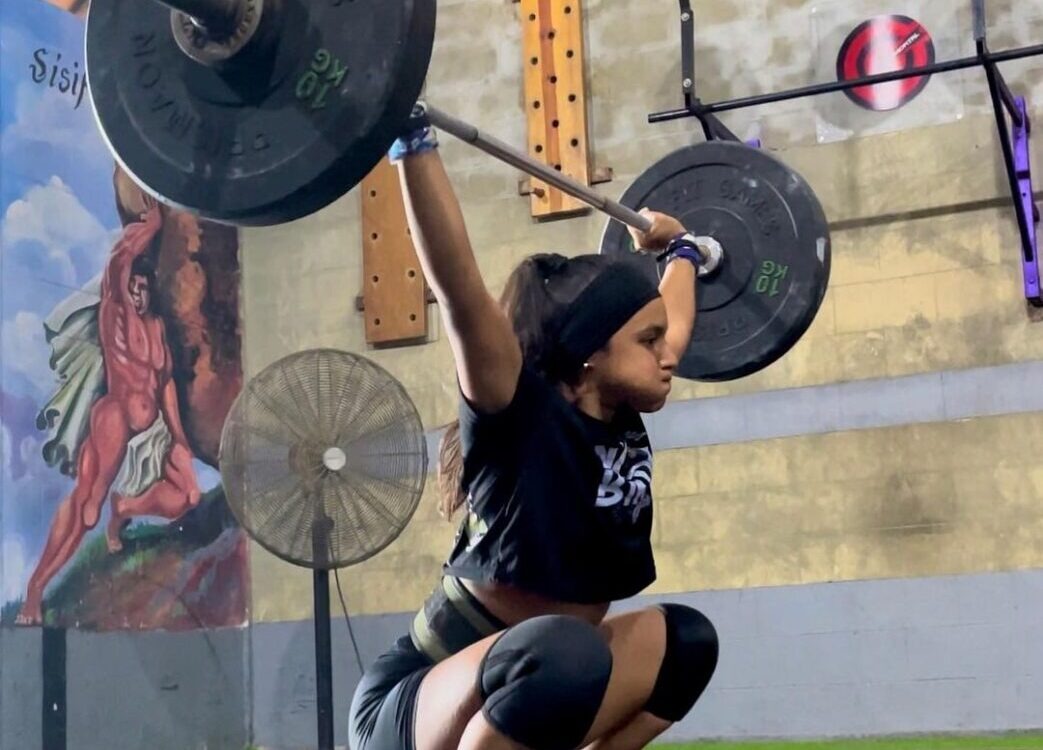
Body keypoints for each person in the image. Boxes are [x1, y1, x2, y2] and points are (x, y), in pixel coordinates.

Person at [348, 105, 719, 750]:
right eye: (649, 339)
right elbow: (459, 289)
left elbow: (676, 318)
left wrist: (682, 250)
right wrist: (409, 139)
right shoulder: (517, 409)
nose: (669, 354)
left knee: (686, 643)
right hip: (420, 702)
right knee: (567, 656)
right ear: (591, 354)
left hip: (539, 681)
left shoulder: (625, 398)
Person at [16, 205, 201, 626]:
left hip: (152, 427)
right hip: (115, 418)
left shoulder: (156, 328)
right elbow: (119, 262)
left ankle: (127, 507)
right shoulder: (116, 313)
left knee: (187, 495)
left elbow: (166, 383)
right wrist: (150, 228)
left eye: (143, 287)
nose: (137, 293)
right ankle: (36, 589)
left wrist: (180, 440)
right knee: (85, 509)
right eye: (132, 287)